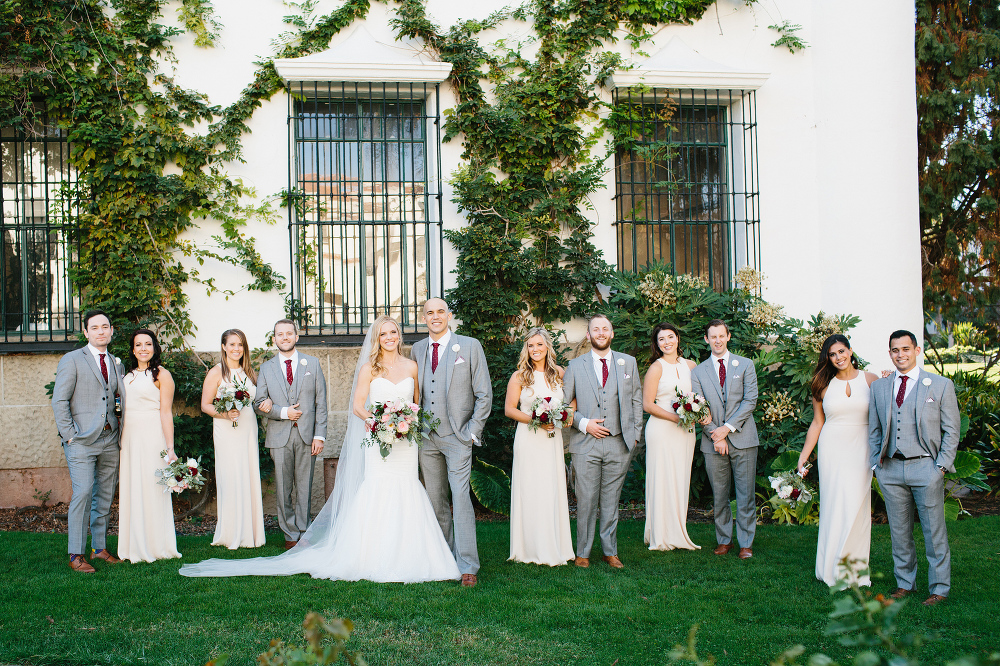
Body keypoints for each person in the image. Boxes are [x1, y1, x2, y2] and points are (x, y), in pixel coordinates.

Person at [180, 315, 461, 583]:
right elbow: (357, 407)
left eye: (393, 332)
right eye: (383, 333)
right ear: (376, 338)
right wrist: (380, 424)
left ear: (399, 336)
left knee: (407, 488)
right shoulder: (368, 369)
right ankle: (363, 552)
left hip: (405, 445)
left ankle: (413, 554)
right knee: (371, 489)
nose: (389, 337)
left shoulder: (411, 367)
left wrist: (405, 424)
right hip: (377, 440)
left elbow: (416, 403)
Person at [868, 330, 960, 606]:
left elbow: (951, 431)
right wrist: (876, 464)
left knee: (934, 531)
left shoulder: (940, 385)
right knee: (899, 530)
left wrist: (940, 466)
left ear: (917, 351)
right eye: (895, 350)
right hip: (891, 469)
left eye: (906, 349)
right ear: (890, 353)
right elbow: (874, 429)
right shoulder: (880, 387)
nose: (901, 354)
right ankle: (905, 583)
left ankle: (940, 588)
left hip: (926, 468)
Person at [411, 298, 493, 587]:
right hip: (426, 438)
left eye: (440, 312)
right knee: (436, 502)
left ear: (449, 315)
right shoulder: (417, 349)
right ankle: (444, 557)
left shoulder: (469, 346)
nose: (436, 317)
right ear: (424, 318)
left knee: (460, 499)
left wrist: (472, 431)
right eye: (430, 313)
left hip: (458, 437)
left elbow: (484, 393)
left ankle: (468, 563)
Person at [562, 314, 643, 569]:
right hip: (586, 444)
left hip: (619, 443)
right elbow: (563, 407)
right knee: (586, 499)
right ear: (588, 335)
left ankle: (610, 551)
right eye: (595, 329)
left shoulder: (627, 363)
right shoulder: (575, 366)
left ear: (612, 333)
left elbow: (637, 400)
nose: (600, 332)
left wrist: (636, 433)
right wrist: (584, 424)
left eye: (604, 329)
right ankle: (583, 552)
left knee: (611, 499)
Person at [796, 334, 877, 586]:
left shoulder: (872, 379)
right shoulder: (822, 384)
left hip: (862, 449)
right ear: (827, 358)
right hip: (832, 449)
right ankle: (831, 568)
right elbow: (818, 423)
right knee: (835, 505)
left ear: (851, 351)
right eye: (832, 354)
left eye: (842, 351)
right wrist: (803, 457)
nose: (838, 357)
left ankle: (853, 569)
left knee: (858, 506)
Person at [51, 309, 125, 572]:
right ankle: (75, 554)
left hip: (110, 438)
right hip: (81, 440)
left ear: (111, 330)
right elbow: (59, 400)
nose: (101, 331)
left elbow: (116, 399)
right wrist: (70, 435)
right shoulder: (72, 360)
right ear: (86, 332)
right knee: (82, 494)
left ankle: (99, 548)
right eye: (95, 328)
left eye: (105, 327)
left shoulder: (116, 362)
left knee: (104, 495)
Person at [254, 319, 328, 550]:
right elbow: (259, 403)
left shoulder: (312, 364)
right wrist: (284, 412)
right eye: (279, 334)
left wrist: (320, 435)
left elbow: (321, 403)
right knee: (283, 487)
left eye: (289, 333)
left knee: (305, 487)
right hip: (279, 437)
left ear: (296, 337)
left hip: (308, 436)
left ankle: (304, 533)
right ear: (274, 339)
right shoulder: (266, 368)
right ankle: (289, 534)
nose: (284, 337)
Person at [503, 328, 575, 566]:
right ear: (526, 349)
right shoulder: (519, 376)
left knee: (551, 488)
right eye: (531, 346)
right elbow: (510, 410)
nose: (535, 350)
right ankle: (528, 548)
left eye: (539, 345)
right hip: (529, 438)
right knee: (530, 489)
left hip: (551, 440)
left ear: (547, 348)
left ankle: (554, 545)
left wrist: (565, 415)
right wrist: (537, 420)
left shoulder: (560, 373)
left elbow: (572, 401)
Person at [690, 319, 760, 559]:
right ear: (706, 339)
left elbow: (750, 400)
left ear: (728, 337)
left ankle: (746, 543)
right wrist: (715, 434)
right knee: (719, 495)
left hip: (744, 439)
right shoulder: (698, 371)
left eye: (722, 336)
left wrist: (726, 429)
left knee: (745, 494)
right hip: (713, 442)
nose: (717, 340)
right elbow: (698, 406)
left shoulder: (746, 365)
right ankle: (724, 540)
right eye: (713, 336)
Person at [117, 329, 182, 563]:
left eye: (148, 344)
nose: (143, 348)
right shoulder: (126, 375)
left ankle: (156, 545)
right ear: (133, 350)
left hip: (152, 435)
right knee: (133, 487)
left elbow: (166, 412)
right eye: (138, 344)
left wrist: (170, 448)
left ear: (154, 348)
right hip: (129, 438)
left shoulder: (162, 375)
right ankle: (132, 544)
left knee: (153, 487)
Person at [200, 329, 266, 549]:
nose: (237, 349)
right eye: (232, 345)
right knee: (231, 476)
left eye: (240, 345)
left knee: (248, 474)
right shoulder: (217, 372)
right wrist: (225, 414)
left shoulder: (249, 372)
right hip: (226, 429)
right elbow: (205, 404)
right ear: (223, 347)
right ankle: (231, 533)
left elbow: (258, 400)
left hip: (247, 427)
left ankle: (251, 533)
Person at [642, 323, 700, 551]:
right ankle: (661, 533)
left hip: (686, 431)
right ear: (657, 345)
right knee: (662, 478)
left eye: (670, 337)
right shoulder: (656, 368)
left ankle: (678, 529)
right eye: (661, 339)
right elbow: (648, 404)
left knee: (680, 477)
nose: (667, 342)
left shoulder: (691, 366)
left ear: (678, 338)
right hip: (662, 430)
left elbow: (698, 397)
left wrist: (698, 412)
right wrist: (675, 418)